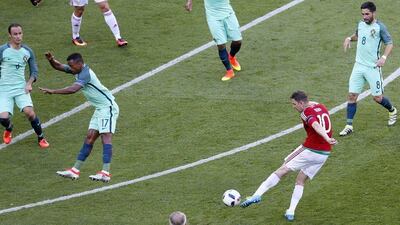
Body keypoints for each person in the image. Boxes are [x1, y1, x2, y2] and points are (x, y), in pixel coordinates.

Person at [240, 91, 337, 222]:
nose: (293, 107)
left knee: (283, 169)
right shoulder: (321, 107)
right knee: (300, 180)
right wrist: (328, 139)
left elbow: (315, 125)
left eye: (294, 104)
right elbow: (313, 105)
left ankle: (256, 195)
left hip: (310, 150)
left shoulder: (305, 113)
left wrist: (327, 137)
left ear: (301, 103)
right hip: (324, 154)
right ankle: (290, 211)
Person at [40, 52, 119, 182]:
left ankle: (105, 173)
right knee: (89, 138)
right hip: (99, 109)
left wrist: (53, 91)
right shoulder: (77, 70)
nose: (70, 69)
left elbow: (73, 89)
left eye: (72, 66)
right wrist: (51, 60)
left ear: (80, 63)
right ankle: (75, 170)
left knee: (106, 137)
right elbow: (59, 66)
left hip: (108, 108)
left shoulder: (85, 74)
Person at [340, 1, 397, 136]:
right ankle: (349, 125)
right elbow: (359, 36)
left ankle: (392, 110)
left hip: (372, 68)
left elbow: (389, 43)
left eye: (367, 14)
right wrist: (349, 38)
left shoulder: (380, 27)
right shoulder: (360, 24)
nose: (364, 17)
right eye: (363, 14)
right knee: (352, 95)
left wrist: (383, 57)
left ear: (373, 13)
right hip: (358, 66)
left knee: (377, 97)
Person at [0, 23, 49, 148]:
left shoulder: (27, 51)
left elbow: (34, 71)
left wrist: (29, 83)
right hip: (4, 89)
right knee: (3, 118)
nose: (18, 36)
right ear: (10, 35)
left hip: (21, 88)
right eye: (15, 34)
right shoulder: (3, 50)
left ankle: (41, 137)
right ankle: (9, 127)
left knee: (30, 113)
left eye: (20, 33)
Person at [185, 0, 242, 81]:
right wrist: (189, 1)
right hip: (213, 18)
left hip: (228, 13)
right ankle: (229, 71)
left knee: (238, 41)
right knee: (221, 45)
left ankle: (231, 57)